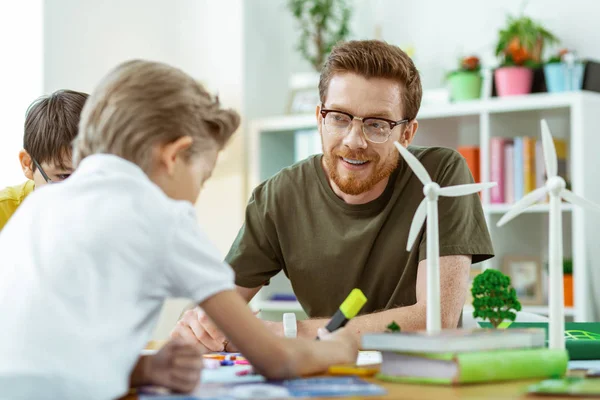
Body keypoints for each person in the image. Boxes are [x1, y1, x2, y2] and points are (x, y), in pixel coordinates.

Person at [0, 60, 357, 400]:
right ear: (175, 156)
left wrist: (146, 368)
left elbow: (54, 356)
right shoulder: (161, 217)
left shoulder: (39, 206)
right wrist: (337, 348)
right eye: (203, 177)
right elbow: (275, 360)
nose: (196, 196)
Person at [171, 40, 495, 351]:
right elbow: (216, 310)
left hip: (417, 378)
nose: (354, 140)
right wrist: (202, 327)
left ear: (407, 133)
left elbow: (435, 320)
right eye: (339, 118)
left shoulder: (440, 177)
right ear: (319, 118)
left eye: (377, 124)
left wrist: (287, 332)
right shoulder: (277, 197)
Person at [0, 89, 88, 231]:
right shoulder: (4, 214)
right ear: (27, 164)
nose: (80, 191)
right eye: (64, 176)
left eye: (91, 174)